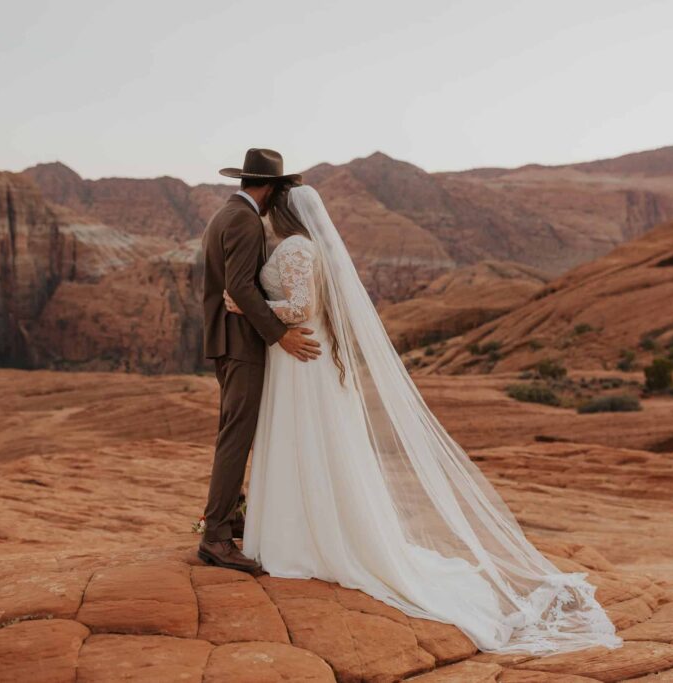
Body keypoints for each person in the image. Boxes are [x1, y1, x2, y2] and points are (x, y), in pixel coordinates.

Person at [223, 181, 623, 655]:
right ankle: (311, 527)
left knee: (304, 439)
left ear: (283, 210)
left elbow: (301, 309)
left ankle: (303, 538)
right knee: (316, 442)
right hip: (303, 357)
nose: (267, 210)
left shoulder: (294, 247)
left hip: (300, 357)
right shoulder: (308, 246)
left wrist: (245, 306)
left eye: (274, 204)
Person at [199, 148, 319, 572]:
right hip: (242, 344)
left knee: (233, 431)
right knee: (237, 436)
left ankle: (230, 516)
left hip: (224, 340)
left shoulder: (224, 214)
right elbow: (241, 288)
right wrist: (281, 335)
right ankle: (215, 537)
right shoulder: (247, 220)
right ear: (268, 188)